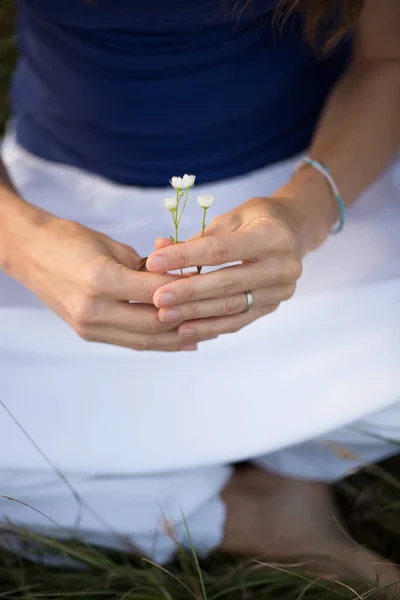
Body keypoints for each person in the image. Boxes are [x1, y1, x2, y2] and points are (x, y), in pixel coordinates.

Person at [0, 0, 399, 588]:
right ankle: (249, 511)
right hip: (56, 208)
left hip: (333, 172)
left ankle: (292, 471)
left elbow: (389, 58)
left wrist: (305, 213)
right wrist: (24, 242)